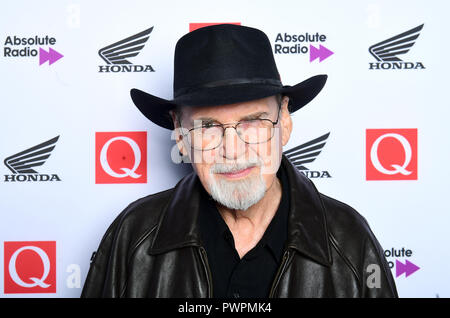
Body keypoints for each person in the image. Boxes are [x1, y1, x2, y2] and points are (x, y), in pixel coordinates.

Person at [81, 24, 397, 298]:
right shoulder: (134, 236)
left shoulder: (351, 242)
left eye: (253, 122)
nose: (233, 151)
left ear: (284, 121)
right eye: (208, 127)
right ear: (180, 135)